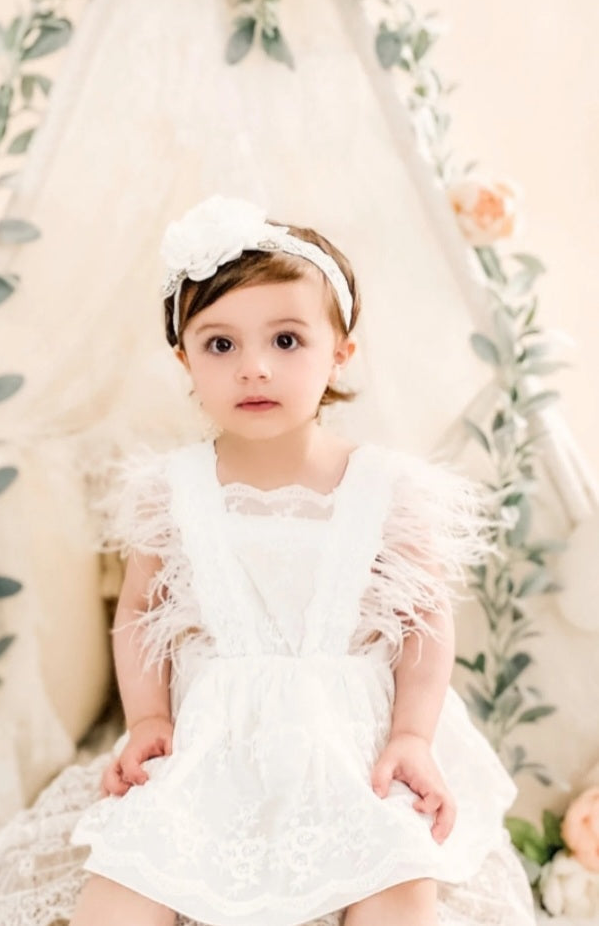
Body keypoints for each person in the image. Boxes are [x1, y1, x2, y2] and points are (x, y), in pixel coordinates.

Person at [64, 194, 536, 926]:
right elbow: (139, 609)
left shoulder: (385, 488)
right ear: (185, 358)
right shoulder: (172, 491)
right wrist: (149, 716)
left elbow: (424, 618)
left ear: (340, 351)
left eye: (285, 341)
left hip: (352, 745)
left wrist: (412, 734)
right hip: (213, 741)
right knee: (124, 889)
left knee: (397, 878)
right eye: (221, 345)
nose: (254, 369)